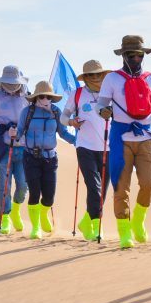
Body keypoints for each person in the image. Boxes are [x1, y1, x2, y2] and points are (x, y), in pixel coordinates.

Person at [97, 35, 151, 248]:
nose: (136, 59)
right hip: (120, 136)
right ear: (123, 56)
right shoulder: (112, 79)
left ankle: (138, 220)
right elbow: (100, 103)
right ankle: (124, 232)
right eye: (131, 55)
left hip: (146, 137)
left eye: (139, 55)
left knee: (149, 182)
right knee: (121, 185)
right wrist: (103, 111)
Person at [13, 81, 77, 239]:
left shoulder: (56, 111)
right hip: (31, 157)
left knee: (49, 196)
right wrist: (13, 134)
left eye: (48, 97)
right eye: (42, 96)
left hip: (50, 159)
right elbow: (19, 131)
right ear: (36, 97)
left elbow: (63, 133)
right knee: (34, 192)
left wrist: (78, 141)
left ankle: (43, 214)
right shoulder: (27, 112)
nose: (45, 99)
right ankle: (36, 228)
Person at [63, 60, 113, 241]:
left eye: (98, 74)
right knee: (94, 186)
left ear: (103, 75)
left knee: (102, 191)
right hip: (85, 146)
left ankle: (86, 221)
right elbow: (63, 116)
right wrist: (71, 122)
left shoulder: (110, 94)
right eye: (91, 75)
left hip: (108, 148)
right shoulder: (77, 94)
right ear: (85, 77)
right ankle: (96, 226)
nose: (95, 77)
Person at [0, 65, 31, 233]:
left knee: (23, 185)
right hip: (4, 147)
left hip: (23, 147)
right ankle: (5, 217)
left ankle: (16, 210)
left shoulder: (28, 96)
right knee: (4, 185)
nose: (12, 85)